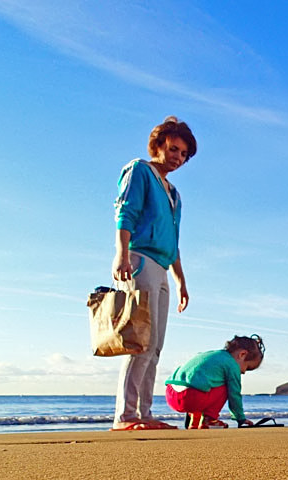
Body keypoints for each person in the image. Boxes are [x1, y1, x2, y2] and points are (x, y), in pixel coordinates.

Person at [110, 116, 197, 430]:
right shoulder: (140, 170)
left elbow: (173, 241)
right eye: (173, 149)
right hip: (140, 260)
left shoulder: (174, 194)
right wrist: (121, 255)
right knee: (140, 342)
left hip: (163, 269)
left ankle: (144, 413)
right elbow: (125, 211)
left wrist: (181, 280)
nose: (177, 157)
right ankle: (125, 416)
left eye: (183, 154)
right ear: (158, 145)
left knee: (156, 346)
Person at [165, 335, 265, 429]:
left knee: (205, 383)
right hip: (191, 397)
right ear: (242, 355)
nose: (243, 372)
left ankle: (195, 422)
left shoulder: (211, 355)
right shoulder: (231, 364)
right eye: (247, 367)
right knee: (228, 385)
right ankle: (209, 420)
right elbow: (234, 394)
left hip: (171, 394)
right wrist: (240, 418)